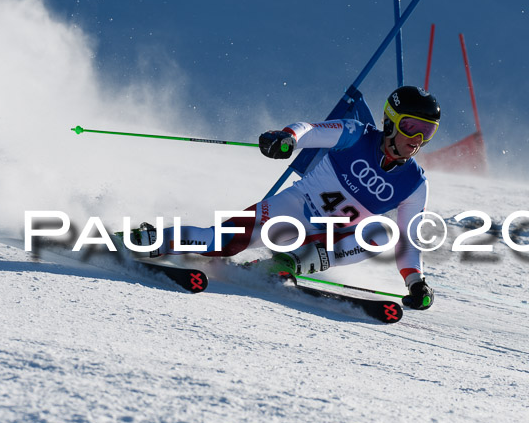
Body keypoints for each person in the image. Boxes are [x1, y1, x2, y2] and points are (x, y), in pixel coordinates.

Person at [134, 86, 440, 310]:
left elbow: (407, 242)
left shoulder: (414, 183)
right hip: (292, 209)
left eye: (427, 132)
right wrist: (287, 138)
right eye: (410, 127)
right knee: (219, 243)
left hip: (327, 239)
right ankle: (143, 240)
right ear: (390, 120)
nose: (416, 140)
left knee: (382, 234)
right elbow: (308, 130)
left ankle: (284, 265)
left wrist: (416, 282)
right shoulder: (356, 134)